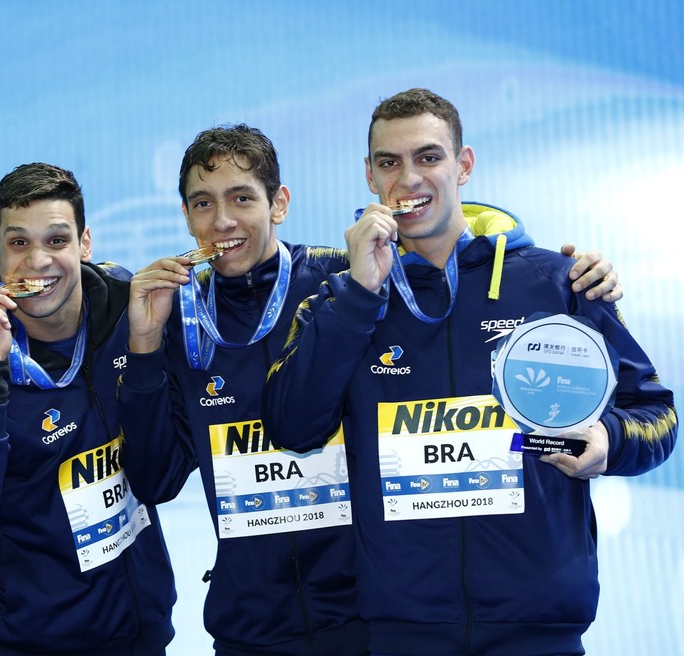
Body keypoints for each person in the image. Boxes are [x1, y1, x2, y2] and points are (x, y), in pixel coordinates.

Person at [119, 124, 624, 655]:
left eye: (242, 197)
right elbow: (157, 479)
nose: (222, 220)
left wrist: (575, 279)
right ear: (186, 215)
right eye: (202, 203)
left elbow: (455, 275)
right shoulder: (180, 316)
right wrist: (145, 348)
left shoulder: (349, 278)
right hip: (253, 625)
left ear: (279, 203)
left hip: (368, 615)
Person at [261, 88, 677, 656]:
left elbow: (657, 415)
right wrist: (360, 297)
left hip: (540, 630)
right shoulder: (341, 299)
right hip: (402, 632)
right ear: (369, 175)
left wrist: (612, 439)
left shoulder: (559, 283)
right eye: (389, 162)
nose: (409, 178)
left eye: (428, 157)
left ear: (464, 165)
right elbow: (291, 427)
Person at [0, 162, 176, 655]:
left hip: (139, 633)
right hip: (24, 643)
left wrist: (144, 348)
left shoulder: (128, 310)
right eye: (18, 244)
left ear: (85, 244)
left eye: (56, 240)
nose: (38, 261)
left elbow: (161, 479)